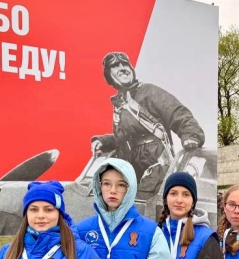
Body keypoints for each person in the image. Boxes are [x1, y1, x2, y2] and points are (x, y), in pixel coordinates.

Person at [88, 52, 205, 186]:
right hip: (131, 166)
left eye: (125, 64)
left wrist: (191, 134)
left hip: (156, 164)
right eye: (115, 66)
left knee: (144, 198)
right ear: (109, 75)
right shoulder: (120, 106)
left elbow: (177, 113)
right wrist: (104, 141)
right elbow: (124, 139)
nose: (122, 68)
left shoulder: (149, 91)